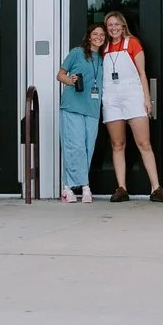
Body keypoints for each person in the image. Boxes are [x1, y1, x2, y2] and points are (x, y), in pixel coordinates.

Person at [100, 8, 163, 202]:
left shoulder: (133, 43)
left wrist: (147, 99)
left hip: (133, 97)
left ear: (123, 26)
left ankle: (156, 187)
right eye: (109, 25)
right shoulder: (103, 47)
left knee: (144, 143)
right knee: (117, 144)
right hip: (112, 100)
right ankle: (121, 187)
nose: (113, 28)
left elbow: (142, 73)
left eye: (116, 24)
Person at [56, 22, 105, 202]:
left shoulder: (103, 57)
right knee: (73, 146)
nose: (99, 37)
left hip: (92, 108)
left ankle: (67, 186)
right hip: (73, 105)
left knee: (87, 148)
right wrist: (71, 80)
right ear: (89, 36)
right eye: (96, 34)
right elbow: (60, 75)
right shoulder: (77, 52)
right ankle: (82, 186)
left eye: (102, 35)